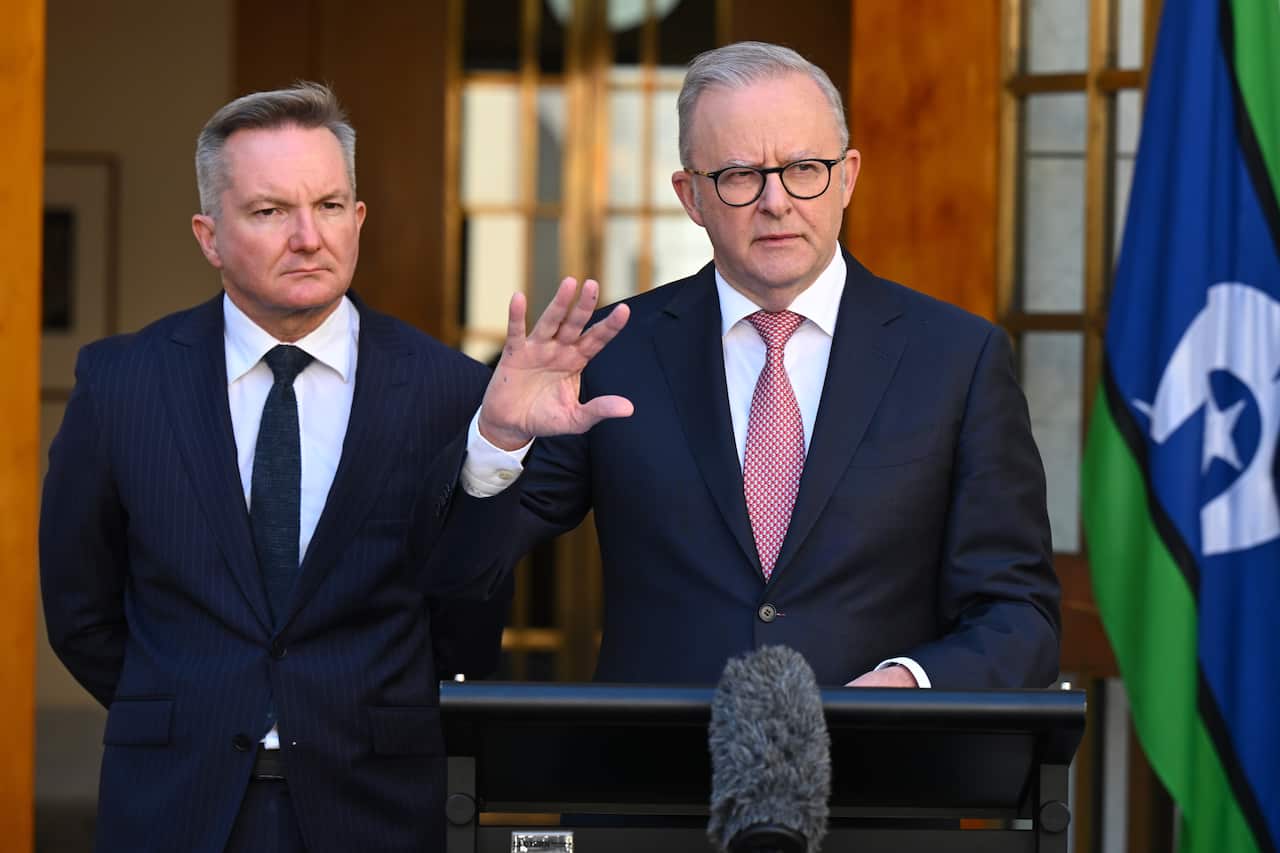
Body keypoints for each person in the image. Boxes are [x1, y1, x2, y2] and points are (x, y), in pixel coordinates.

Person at [463, 41, 1062, 689]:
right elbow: (465, 575)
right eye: (742, 175)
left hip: (878, 777)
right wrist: (497, 443)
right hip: (656, 779)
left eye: (804, 167)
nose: (776, 201)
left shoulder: (957, 359)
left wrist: (908, 686)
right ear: (691, 196)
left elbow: (1019, 615)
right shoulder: (614, 353)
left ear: (847, 176)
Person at [39, 83, 522, 853]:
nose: (308, 237)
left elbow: (465, 628)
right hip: (173, 802)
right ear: (209, 234)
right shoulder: (121, 383)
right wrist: (190, 705)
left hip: (375, 806)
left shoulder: (449, 390)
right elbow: (78, 608)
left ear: (358, 219)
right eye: (269, 212)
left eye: (330, 206)